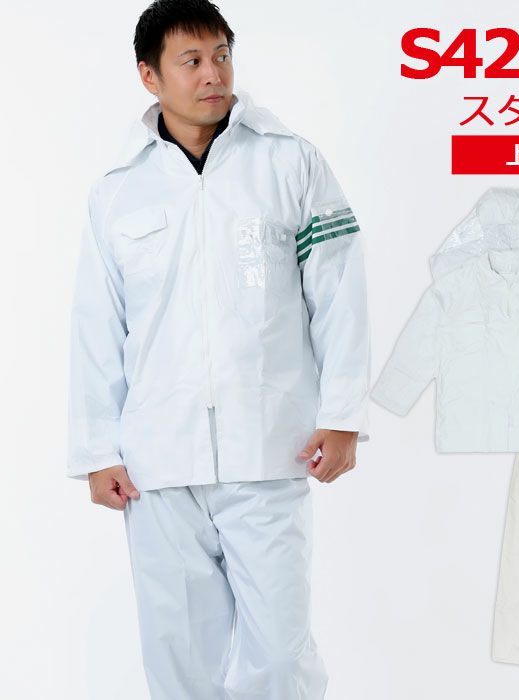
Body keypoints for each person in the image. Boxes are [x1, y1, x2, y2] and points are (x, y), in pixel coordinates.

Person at [66, 1, 370, 697]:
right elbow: (96, 325)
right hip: (157, 461)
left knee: (280, 655)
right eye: (192, 61)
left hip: (268, 448)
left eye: (222, 55)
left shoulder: (290, 162)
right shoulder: (118, 191)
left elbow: (340, 294)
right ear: (150, 76)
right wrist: (96, 450)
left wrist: (343, 414)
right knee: (178, 657)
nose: (214, 74)